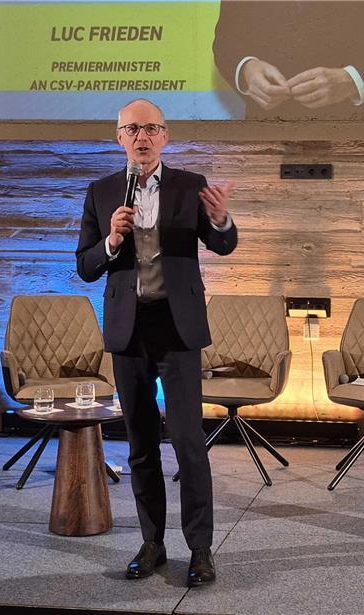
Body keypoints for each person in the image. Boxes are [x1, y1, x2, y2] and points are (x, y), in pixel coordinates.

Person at [76, 99, 237, 587]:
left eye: (150, 129)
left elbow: (223, 245)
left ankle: (201, 550)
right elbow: (84, 266)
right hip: (129, 331)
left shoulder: (191, 186)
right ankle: (152, 543)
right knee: (142, 446)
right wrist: (110, 241)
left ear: (165, 136)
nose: (141, 137)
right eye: (131, 129)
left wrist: (223, 220)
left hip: (177, 329)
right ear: (119, 138)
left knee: (189, 443)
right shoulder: (102, 191)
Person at [213, 0, 364, 120]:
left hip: (361, 137)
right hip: (264, 135)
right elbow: (227, 40)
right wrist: (246, 68)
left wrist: (353, 80)